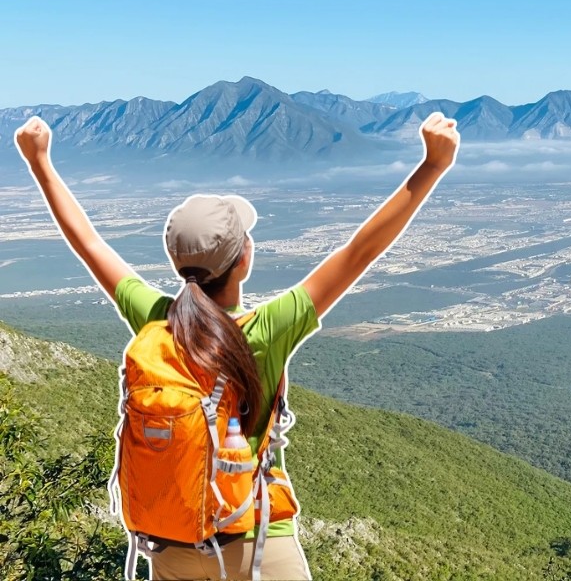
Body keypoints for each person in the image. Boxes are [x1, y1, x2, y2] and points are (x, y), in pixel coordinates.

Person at [12, 111, 460, 580]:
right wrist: (432, 165)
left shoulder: (157, 320)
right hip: (257, 548)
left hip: (174, 549)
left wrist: (40, 162)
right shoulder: (265, 330)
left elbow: (88, 243)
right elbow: (359, 251)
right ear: (243, 260)